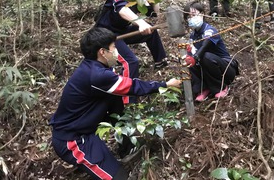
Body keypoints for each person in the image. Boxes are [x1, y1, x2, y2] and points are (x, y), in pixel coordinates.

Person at [49, 27, 182, 180]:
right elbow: (133, 87)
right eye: (113, 47)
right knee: (117, 177)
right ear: (102, 52)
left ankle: (127, 147)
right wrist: (165, 84)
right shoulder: (97, 75)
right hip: (73, 140)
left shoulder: (96, 67)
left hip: (87, 131)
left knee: (115, 98)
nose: (116, 51)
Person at [95, 0, 167, 103]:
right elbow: (122, 8)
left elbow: (154, 14)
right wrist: (139, 22)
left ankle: (160, 61)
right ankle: (128, 101)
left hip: (121, 31)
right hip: (105, 33)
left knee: (151, 33)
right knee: (131, 62)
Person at [183, 1, 239, 102]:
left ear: (202, 14)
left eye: (194, 15)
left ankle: (221, 87)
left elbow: (206, 44)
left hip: (226, 69)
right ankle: (203, 88)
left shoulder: (210, 30)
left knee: (205, 56)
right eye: (188, 17)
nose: (191, 18)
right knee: (188, 61)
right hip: (207, 70)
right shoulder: (193, 36)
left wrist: (196, 57)